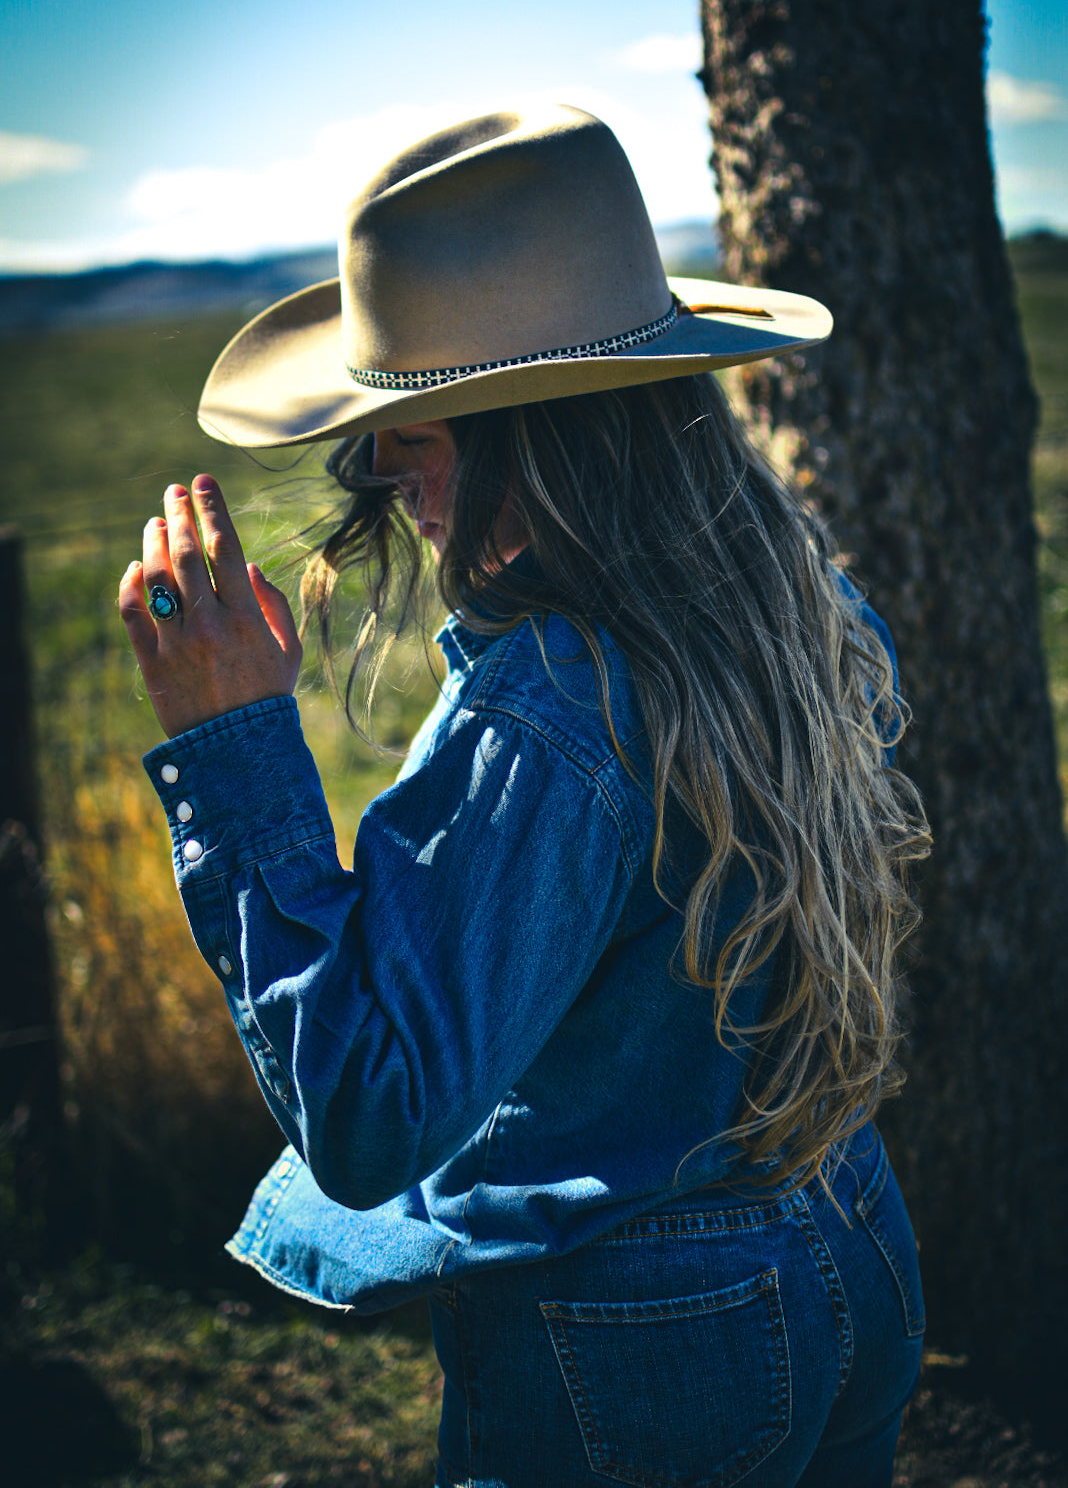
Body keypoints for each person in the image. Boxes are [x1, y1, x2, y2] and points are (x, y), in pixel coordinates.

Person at [120, 105, 931, 1487]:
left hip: (643, 1330)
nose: (380, 475)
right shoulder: (791, 592)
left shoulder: (553, 700)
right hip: (846, 1224)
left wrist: (229, 740)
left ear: (535, 431)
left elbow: (371, 1108)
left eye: (414, 431)